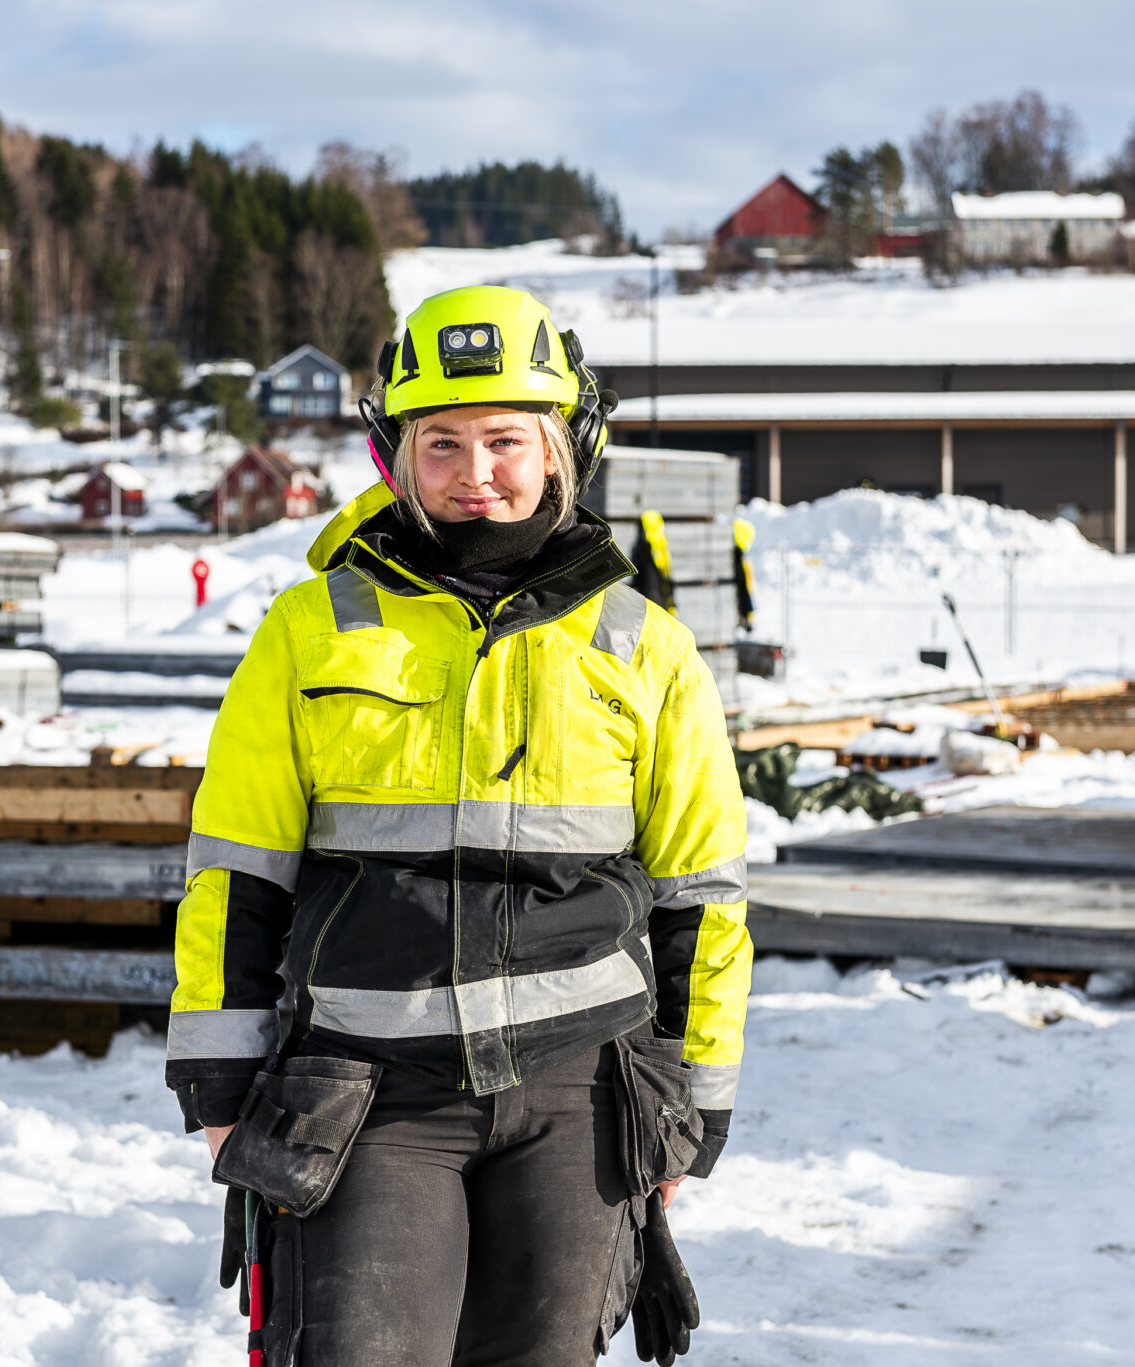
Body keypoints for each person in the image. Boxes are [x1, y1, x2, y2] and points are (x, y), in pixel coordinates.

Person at [166, 285, 752, 1366]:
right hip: (363, 1091)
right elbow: (235, 872)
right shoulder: (312, 627)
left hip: (578, 1092)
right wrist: (216, 1075)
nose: (473, 471)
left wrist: (694, 1099)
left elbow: (697, 894)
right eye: (440, 441)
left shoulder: (640, 643)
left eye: (503, 440)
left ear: (562, 446)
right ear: (395, 451)